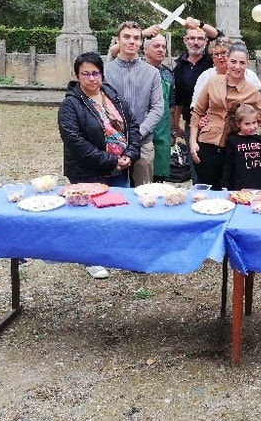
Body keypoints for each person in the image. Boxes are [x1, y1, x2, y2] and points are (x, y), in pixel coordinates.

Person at [58, 52, 141, 280]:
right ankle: (92, 258)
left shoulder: (112, 97)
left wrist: (130, 154)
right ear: (77, 76)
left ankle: (119, 253)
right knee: (91, 216)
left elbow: (132, 126)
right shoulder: (71, 105)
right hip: (88, 172)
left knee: (119, 211)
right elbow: (75, 142)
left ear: (102, 75)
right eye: (85, 74)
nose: (91, 78)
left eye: (95, 73)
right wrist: (111, 160)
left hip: (120, 168)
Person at [190, 43, 261, 187]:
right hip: (207, 145)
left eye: (242, 63)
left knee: (232, 192)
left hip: (234, 149)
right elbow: (197, 112)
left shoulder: (253, 91)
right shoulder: (213, 82)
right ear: (227, 61)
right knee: (207, 192)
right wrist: (193, 142)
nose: (237, 66)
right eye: (233, 61)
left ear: (247, 65)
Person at [104, 21, 164, 186]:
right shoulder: (105, 72)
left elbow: (157, 108)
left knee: (143, 193)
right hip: (112, 144)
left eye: (136, 38)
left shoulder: (152, 73)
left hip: (142, 143)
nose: (132, 41)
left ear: (141, 42)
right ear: (118, 40)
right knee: (114, 194)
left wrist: (138, 134)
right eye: (127, 37)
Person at [172, 17, 222, 181]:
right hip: (191, 124)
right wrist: (175, 124)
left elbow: (220, 37)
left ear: (206, 41)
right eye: (192, 38)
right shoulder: (179, 65)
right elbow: (179, 97)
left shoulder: (212, 61)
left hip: (217, 123)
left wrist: (200, 24)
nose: (196, 42)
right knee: (196, 167)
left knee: (218, 167)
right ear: (185, 40)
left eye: (200, 38)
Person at [192, 38, 261, 107]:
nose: (220, 57)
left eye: (223, 53)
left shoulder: (249, 75)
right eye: (216, 54)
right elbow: (196, 105)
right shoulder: (206, 76)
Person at [142, 34, 175, 182]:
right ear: (145, 49)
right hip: (142, 131)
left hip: (163, 132)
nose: (161, 50)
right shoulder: (138, 71)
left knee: (159, 178)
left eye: (163, 47)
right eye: (156, 46)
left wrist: (173, 131)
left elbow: (172, 105)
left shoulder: (168, 74)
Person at [221, 103, 261, 191]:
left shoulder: (259, 139)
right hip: (241, 184)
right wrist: (224, 184)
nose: (252, 127)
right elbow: (228, 163)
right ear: (238, 124)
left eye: (254, 122)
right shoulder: (232, 140)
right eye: (247, 124)